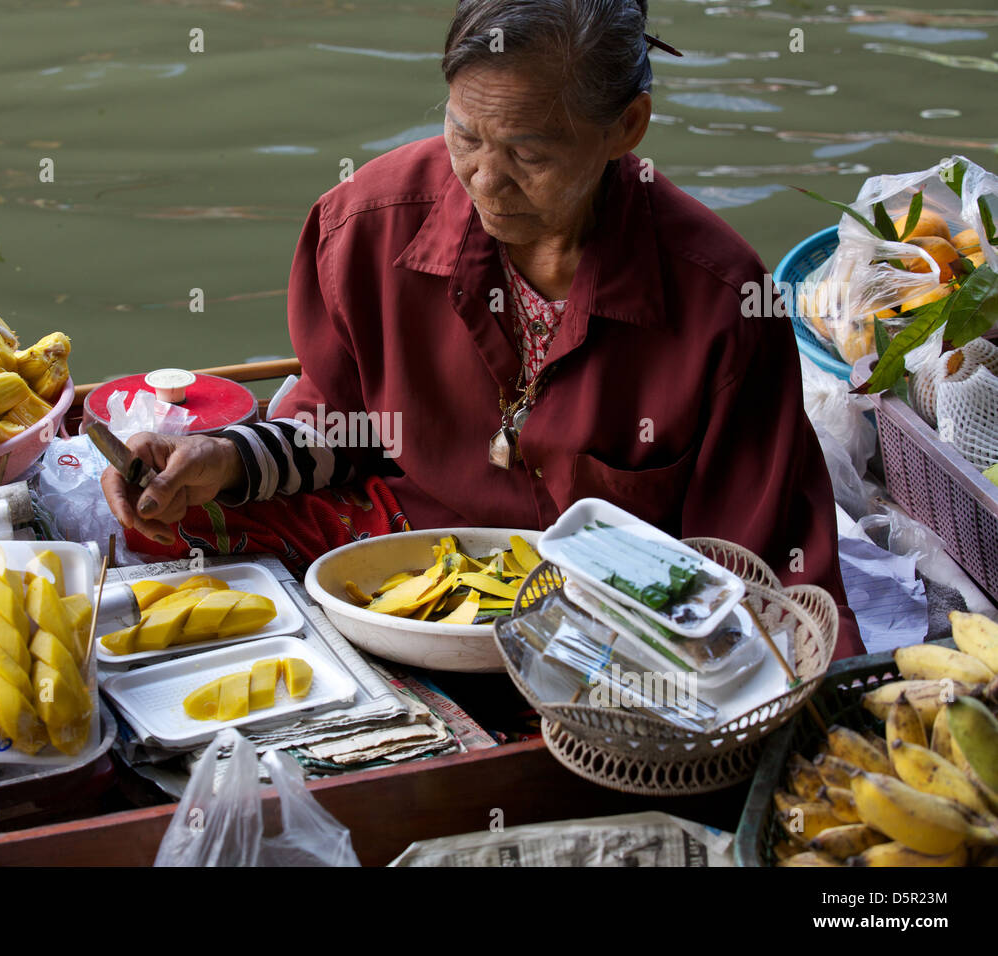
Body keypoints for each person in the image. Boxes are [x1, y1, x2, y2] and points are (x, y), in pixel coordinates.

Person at [103, 0, 865, 658]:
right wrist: (221, 457)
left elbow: (758, 571)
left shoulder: (719, 298)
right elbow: (347, 428)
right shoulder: (367, 225)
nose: (486, 181)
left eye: (530, 152)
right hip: (416, 559)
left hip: (621, 620)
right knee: (169, 518)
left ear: (626, 127)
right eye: (465, 136)